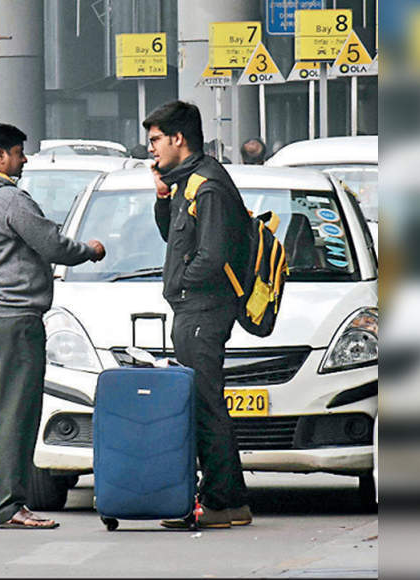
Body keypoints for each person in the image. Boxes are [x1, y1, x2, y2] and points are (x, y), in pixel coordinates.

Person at [0, 123, 106, 529]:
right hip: (16, 317)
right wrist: (89, 251)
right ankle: (11, 506)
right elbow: (53, 245)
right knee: (18, 414)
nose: (24, 159)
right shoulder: (10, 200)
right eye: (19, 152)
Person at [142, 101, 253, 529]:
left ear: (178, 139)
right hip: (193, 307)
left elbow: (212, 255)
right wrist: (161, 199)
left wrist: (182, 284)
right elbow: (176, 239)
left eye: (155, 140)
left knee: (207, 405)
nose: (150, 148)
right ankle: (226, 498)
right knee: (202, 402)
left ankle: (225, 501)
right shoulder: (187, 184)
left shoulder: (208, 186)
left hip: (204, 308)